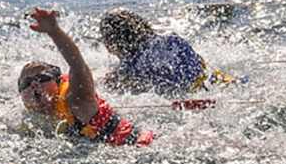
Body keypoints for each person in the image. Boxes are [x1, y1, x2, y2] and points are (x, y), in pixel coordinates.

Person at [19, 8, 155, 146]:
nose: (34, 85)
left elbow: (78, 66)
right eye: (26, 83)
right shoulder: (29, 120)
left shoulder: (75, 100)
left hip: (140, 146)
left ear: (58, 82)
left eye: (42, 78)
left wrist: (54, 32)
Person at [98, 8, 237, 97]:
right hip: (217, 81)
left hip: (190, 97)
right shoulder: (170, 36)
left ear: (110, 47)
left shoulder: (130, 68)